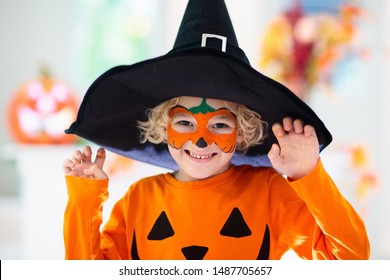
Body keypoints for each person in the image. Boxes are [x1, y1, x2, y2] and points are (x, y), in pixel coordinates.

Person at [62, 0, 370, 260]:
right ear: (163, 126)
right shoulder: (138, 201)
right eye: (184, 122)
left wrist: (309, 174)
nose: (200, 139)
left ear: (242, 133)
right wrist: (85, 200)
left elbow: (352, 257)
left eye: (220, 124)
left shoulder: (269, 193)